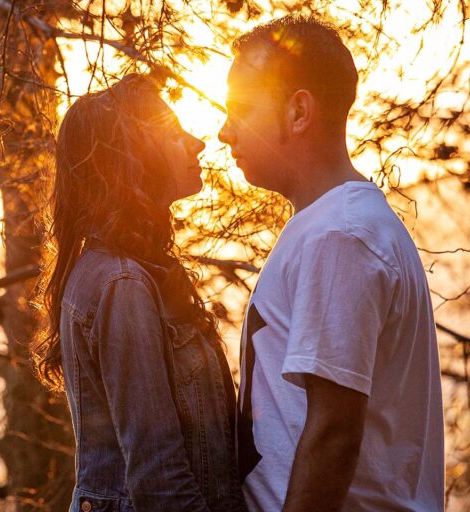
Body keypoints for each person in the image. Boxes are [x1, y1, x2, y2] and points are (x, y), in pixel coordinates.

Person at [218, 14, 445, 511]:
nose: (223, 132)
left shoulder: (339, 236)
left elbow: (334, 433)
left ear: (298, 112)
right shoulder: (335, 225)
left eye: (240, 110)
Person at [31, 74, 246, 512]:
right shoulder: (122, 284)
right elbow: (159, 481)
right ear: (135, 157)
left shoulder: (136, 269)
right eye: (172, 134)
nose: (197, 143)